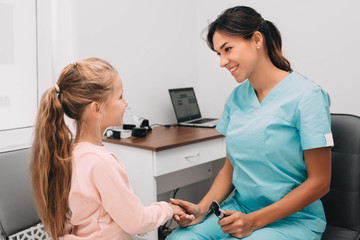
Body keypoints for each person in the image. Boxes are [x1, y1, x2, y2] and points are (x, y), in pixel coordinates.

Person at [167, 6, 333, 240]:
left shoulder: (308, 96)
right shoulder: (236, 98)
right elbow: (230, 167)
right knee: (179, 238)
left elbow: (320, 182)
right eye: (218, 54)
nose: (222, 62)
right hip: (238, 209)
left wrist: (253, 221)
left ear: (256, 39)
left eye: (228, 49)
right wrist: (202, 209)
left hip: (293, 218)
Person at [31, 57, 185, 240]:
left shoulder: (71, 153)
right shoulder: (100, 162)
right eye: (120, 96)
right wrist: (168, 208)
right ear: (97, 109)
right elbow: (137, 221)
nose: (125, 103)